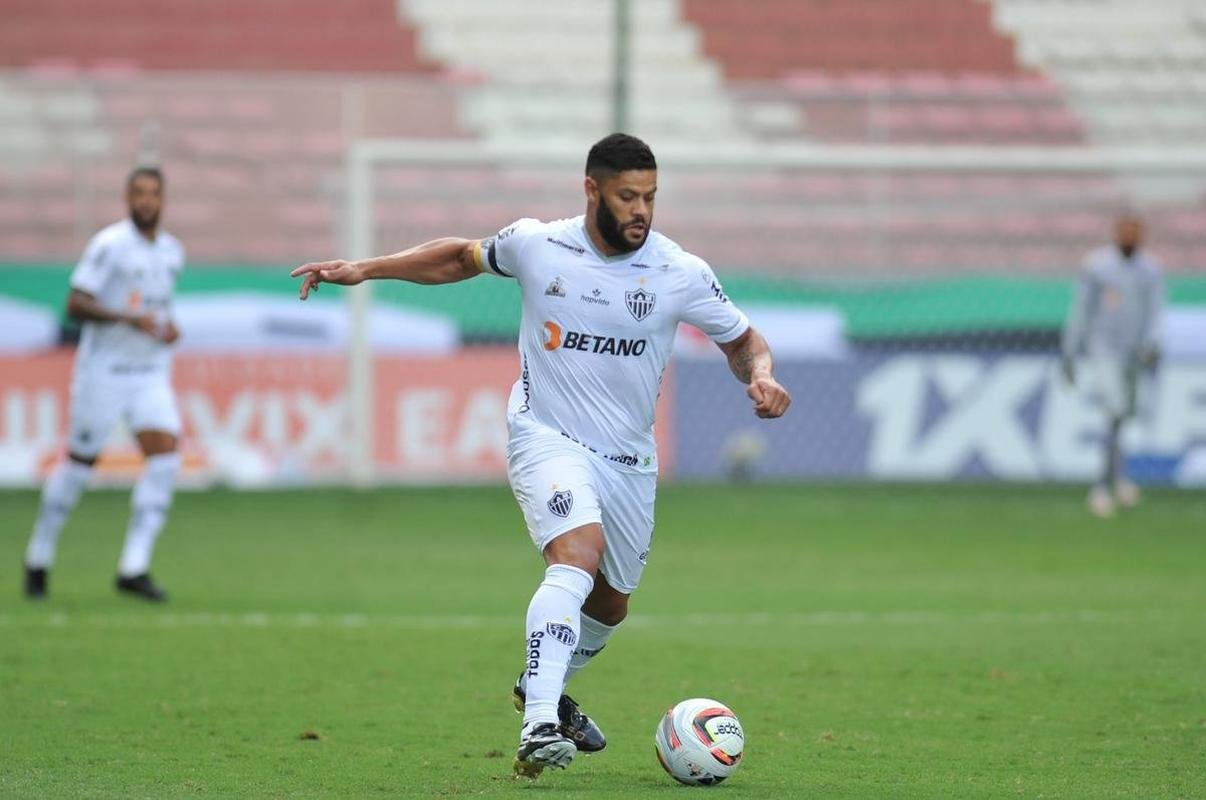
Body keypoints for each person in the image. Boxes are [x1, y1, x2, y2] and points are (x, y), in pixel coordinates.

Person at [291, 134, 791, 777]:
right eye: (627, 196)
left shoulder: (679, 272)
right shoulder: (538, 244)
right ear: (592, 190)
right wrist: (366, 268)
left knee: (611, 604)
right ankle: (539, 726)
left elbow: (742, 339)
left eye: (650, 197)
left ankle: (539, 684)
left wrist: (761, 375)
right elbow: (459, 259)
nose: (641, 210)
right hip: (545, 434)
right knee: (575, 555)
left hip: (629, 460)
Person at [23, 166, 184, 601]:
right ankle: (39, 555)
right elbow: (75, 302)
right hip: (104, 372)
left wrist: (169, 328)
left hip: (151, 373)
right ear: (126, 198)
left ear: (164, 199)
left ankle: (134, 566)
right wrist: (127, 319)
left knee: (166, 458)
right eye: (138, 193)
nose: (146, 201)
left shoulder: (171, 251)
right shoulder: (109, 246)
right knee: (78, 466)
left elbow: (158, 308)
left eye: (153, 193)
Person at [1061, 213, 1164, 518]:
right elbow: (1081, 308)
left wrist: (1152, 345)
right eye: (1125, 231)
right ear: (1116, 234)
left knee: (1122, 416)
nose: (1130, 237)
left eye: (1135, 232)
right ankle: (1102, 486)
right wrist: (1070, 351)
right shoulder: (1097, 266)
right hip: (1103, 348)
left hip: (1136, 353)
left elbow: (1157, 311)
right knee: (1115, 409)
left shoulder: (1151, 270)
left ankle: (1118, 479)